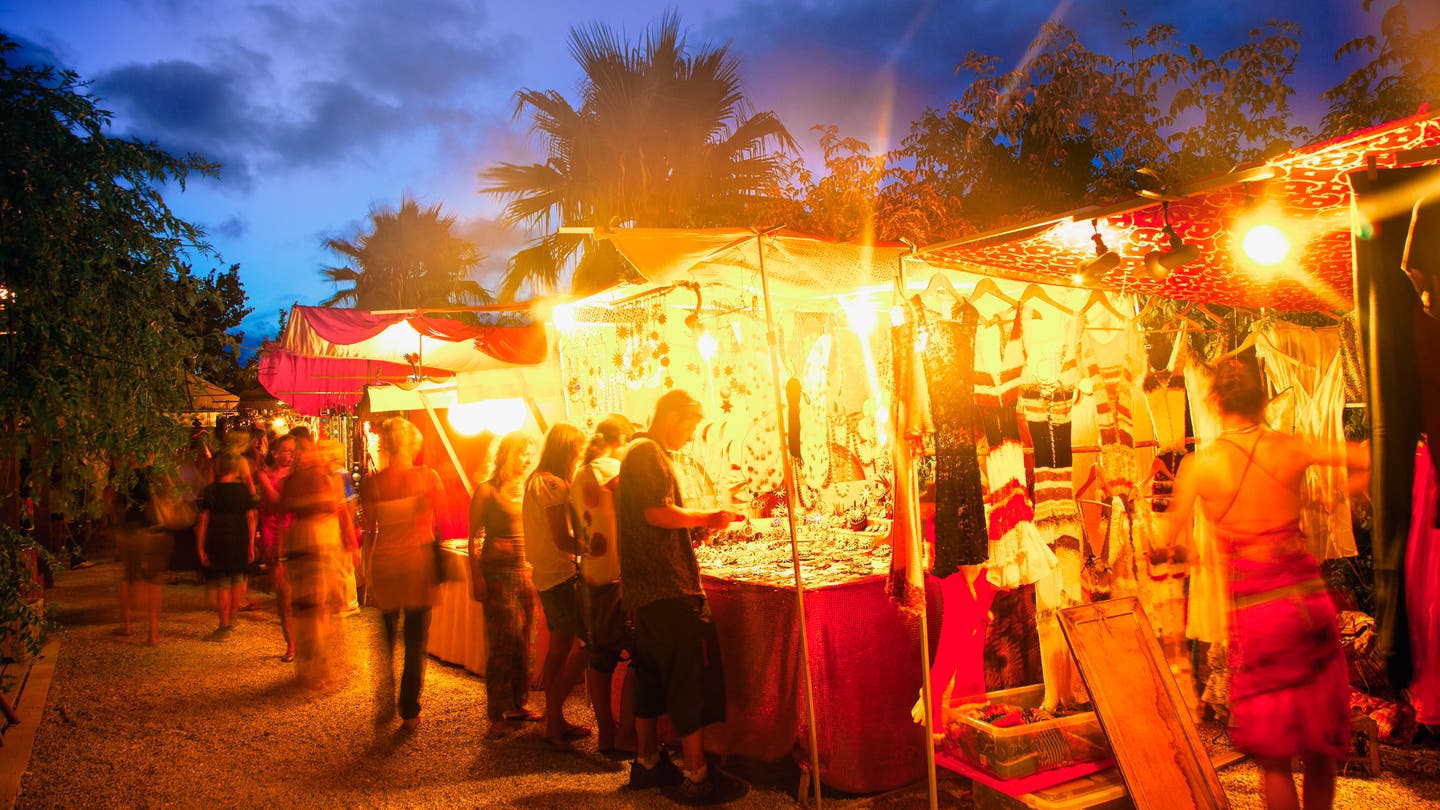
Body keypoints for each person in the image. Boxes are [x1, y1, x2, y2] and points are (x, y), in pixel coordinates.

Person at [1159, 359, 1368, 810]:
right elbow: (1367, 456)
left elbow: (1165, 539)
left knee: (1274, 762)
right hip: (1307, 605)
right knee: (1318, 747)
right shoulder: (1288, 446)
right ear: (1260, 401)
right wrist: (1337, 496)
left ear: (1214, 403)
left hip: (1258, 614)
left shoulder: (1200, 465)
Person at [617, 389, 748, 804]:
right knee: (686, 678)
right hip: (668, 589)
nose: (691, 435)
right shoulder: (647, 454)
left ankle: (649, 763)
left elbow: (654, 520)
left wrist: (695, 527)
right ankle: (697, 774)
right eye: (690, 425)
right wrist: (709, 516)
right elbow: (655, 513)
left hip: (647, 591)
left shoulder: (640, 453)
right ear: (671, 416)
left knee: (651, 679)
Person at [360, 417, 447, 729]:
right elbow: (440, 523)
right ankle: (408, 708)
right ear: (412, 444)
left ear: (386, 445)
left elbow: (369, 529)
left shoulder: (373, 482)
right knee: (414, 639)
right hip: (416, 563)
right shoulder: (429, 477)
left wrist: (366, 568)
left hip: (385, 561)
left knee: (385, 637)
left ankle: (385, 694)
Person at [571, 414, 637, 754]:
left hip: (591, 574)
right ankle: (625, 731)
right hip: (617, 576)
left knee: (600, 659)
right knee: (643, 657)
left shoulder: (581, 473)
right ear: (621, 441)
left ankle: (607, 734)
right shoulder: (614, 471)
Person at [522, 422, 591, 747]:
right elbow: (561, 538)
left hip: (548, 574)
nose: (579, 455)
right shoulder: (552, 485)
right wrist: (592, 549)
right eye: (577, 448)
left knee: (560, 648)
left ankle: (554, 718)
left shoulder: (539, 481)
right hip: (559, 575)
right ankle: (553, 718)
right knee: (579, 645)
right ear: (567, 449)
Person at [469, 430, 541, 736]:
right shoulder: (487, 491)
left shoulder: (528, 490)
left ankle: (517, 702)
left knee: (524, 640)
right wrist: (476, 577)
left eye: (530, 454)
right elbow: (474, 538)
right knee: (502, 641)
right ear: (506, 455)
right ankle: (496, 713)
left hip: (526, 572)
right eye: (521, 453)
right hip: (498, 575)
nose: (526, 460)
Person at [280, 436, 353, 691]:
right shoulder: (308, 479)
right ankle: (313, 667)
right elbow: (284, 510)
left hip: (320, 541)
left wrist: (349, 540)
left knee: (321, 607)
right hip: (311, 542)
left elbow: (342, 511)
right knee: (310, 608)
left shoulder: (328, 477)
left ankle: (318, 667)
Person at [195, 452, 257, 634]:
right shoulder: (243, 490)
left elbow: (203, 520)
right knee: (237, 578)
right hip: (239, 537)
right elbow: (251, 517)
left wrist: (200, 547)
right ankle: (234, 616)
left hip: (217, 538)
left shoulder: (210, 491)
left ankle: (224, 624)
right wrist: (251, 543)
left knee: (222, 581)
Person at [115, 463, 172, 645]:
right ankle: (153, 633)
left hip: (132, 531)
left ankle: (126, 624)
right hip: (155, 531)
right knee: (154, 581)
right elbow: (172, 495)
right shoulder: (158, 475)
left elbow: (117, 507)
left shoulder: (125, 477)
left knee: (128, 577)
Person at [257, 433, 297, 660]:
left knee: (299, 593)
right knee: (283, 594)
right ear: (274, 453)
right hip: (274, 537)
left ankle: (300, 641)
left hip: (297, 534)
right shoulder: (266, 475)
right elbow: (275, 500)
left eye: (293, 452)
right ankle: (291, 643)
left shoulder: (296, 476)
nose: (290, 456)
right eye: (286, 451)